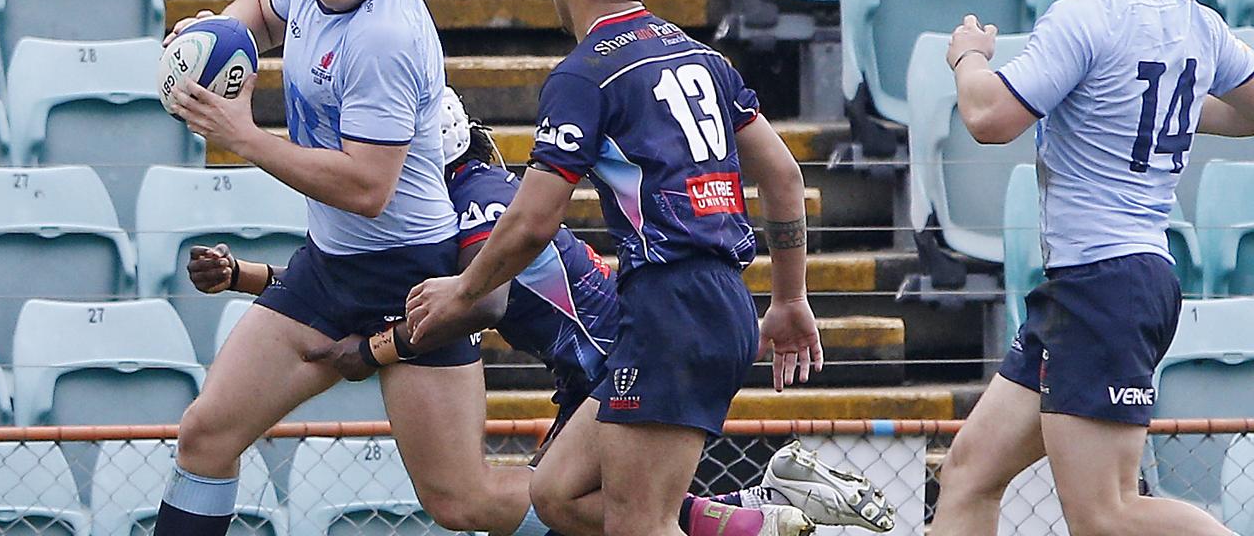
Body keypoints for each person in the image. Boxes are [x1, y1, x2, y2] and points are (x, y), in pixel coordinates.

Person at [197, 87, 897, 535]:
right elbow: (368, 286)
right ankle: (754, 505)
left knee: (571, 511)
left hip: (609, 364)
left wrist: (377, 351)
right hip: (600, 362)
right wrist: (248, 277)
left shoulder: (469, 204)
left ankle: (753, 509)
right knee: (569, 511)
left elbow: (483, 299)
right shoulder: (467, 194)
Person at [405, 0, 836, 536]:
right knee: (557, 492)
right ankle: (749, 524)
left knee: (640, 522)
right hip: (711, 302)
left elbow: (530, 222)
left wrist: (461, 291)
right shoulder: (703, 58)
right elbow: (780, 173)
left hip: (670, 306)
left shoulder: (584, 75)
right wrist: (788, 297)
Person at [154, 0, 535, 536]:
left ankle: (641, 512)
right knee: (205, 436)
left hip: (412, 277)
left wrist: (241, 136)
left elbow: (366, 189)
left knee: (462, 502)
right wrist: (215, 31)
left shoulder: (385, 37)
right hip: (327, 270)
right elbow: (264, 8)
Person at [929, 0, 1254, 536]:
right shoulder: (1192, 19)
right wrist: (1163, 103)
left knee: (1104, 515)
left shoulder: (1084, 18)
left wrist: (967, 56)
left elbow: (989, 118)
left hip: (1104, 282)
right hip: (1100, 283)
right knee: (968, 473)